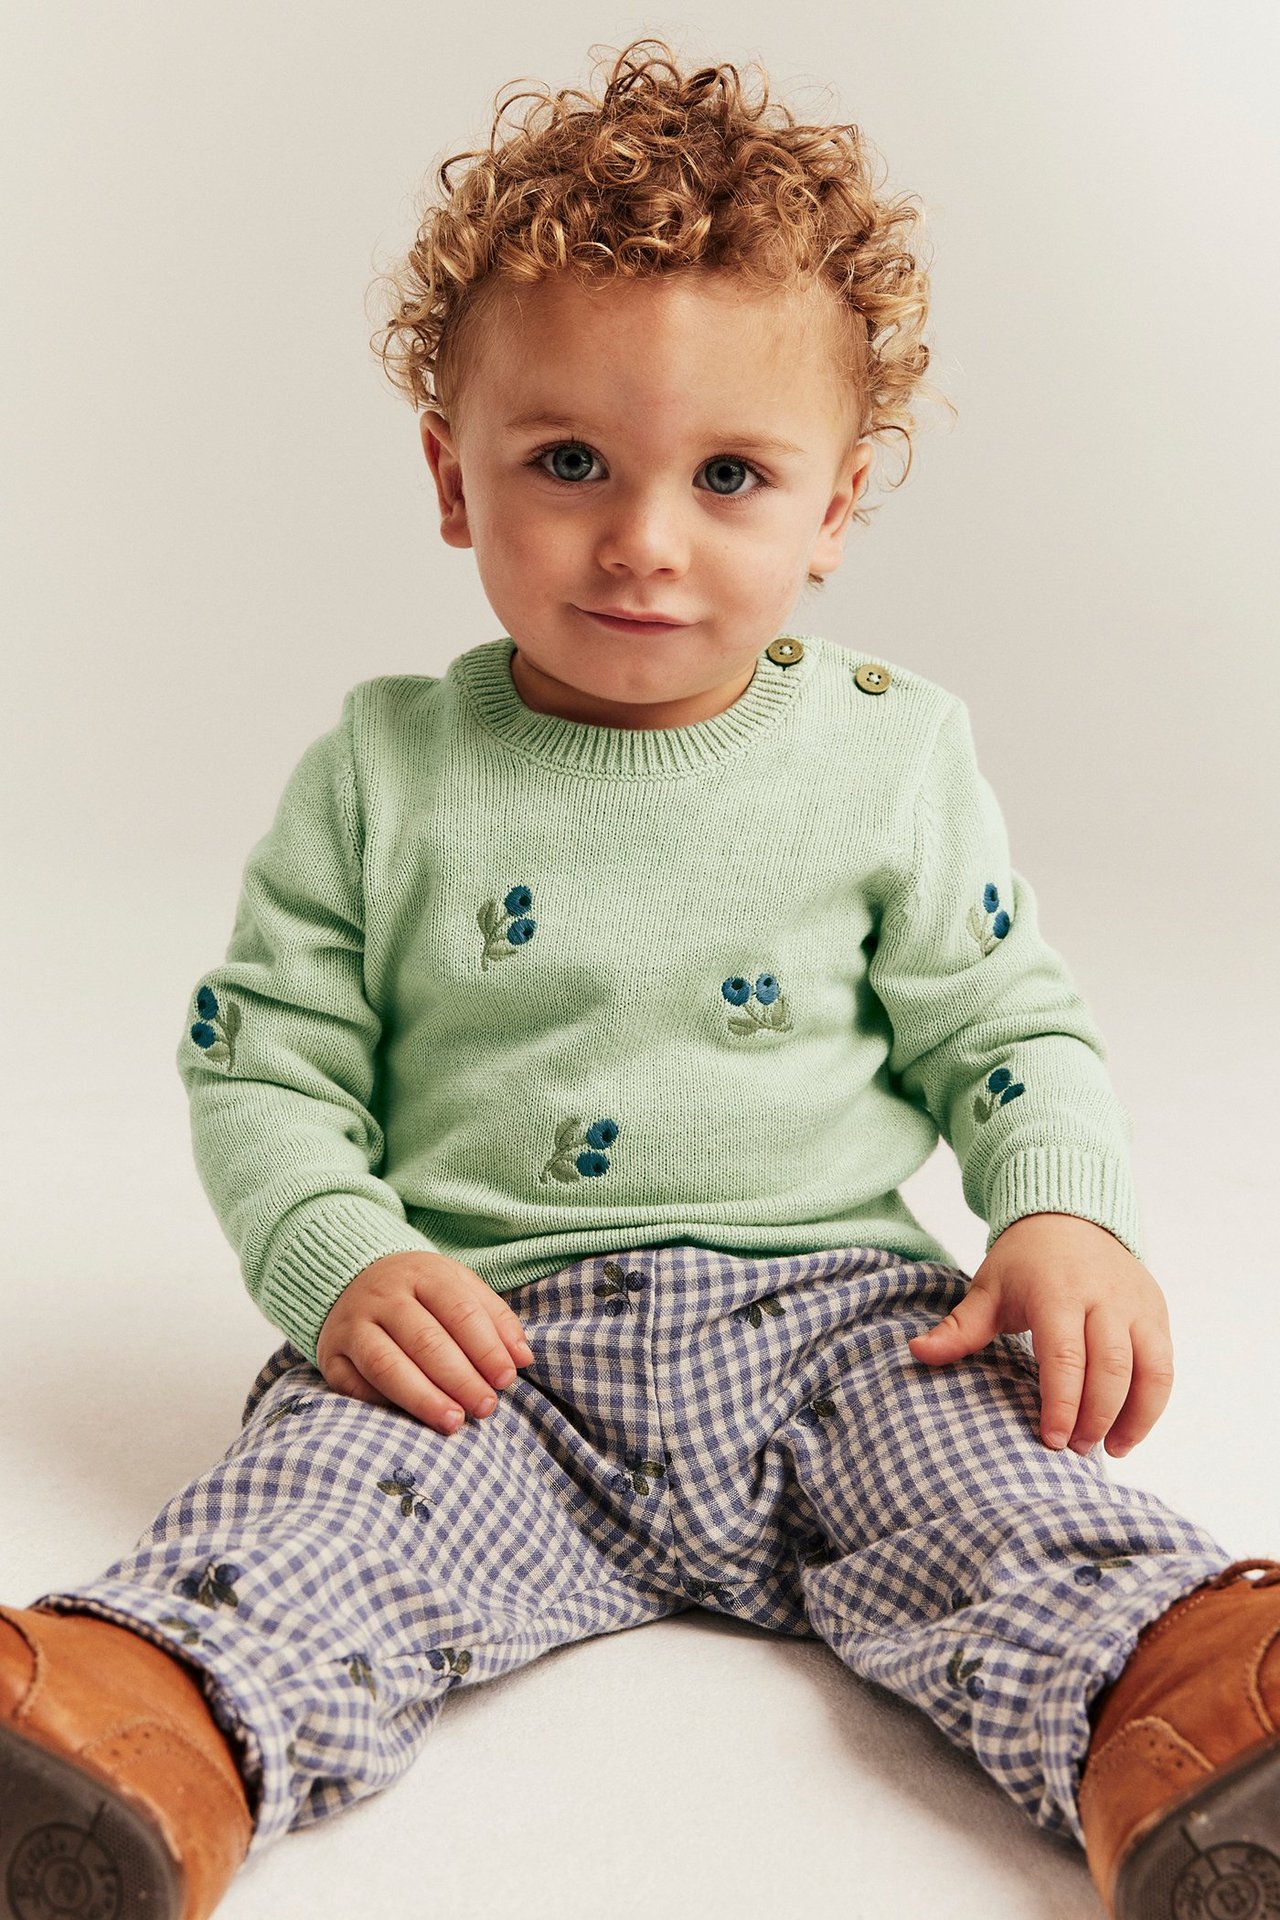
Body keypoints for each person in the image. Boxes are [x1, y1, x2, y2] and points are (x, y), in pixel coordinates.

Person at [2, 37, 1276, 1920]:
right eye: (569, 462)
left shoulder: (893, 755)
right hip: (488, 1344)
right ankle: (125, 1744)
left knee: (1016, 1505)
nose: (643, 540)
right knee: (309, 1521)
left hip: (844, 1332)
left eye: (731, 474)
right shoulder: (383, 771)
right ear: (453, 477)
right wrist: (342, 1258)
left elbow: (1004, 1022)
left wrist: (1062, 1212)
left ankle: (1202, 1729)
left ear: (834, 509)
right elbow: (264, 1062)